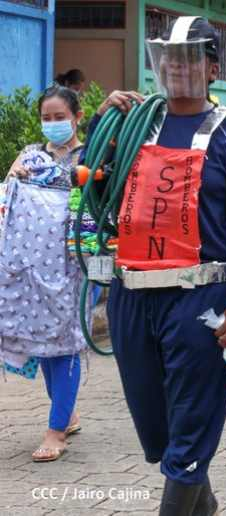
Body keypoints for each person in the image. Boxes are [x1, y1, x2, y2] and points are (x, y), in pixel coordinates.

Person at [90, 16, 226, 514]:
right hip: (132, 295)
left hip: (200, 299)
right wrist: (103, 131)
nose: (177, 66)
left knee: (189, 436)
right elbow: (99, 198)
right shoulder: (133, 125)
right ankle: (203, 504)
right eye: (169, 56)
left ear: (213, 68)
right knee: (160, 434)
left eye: (190, 57)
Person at [2, 85, 86, 462]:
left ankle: (56, 431)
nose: (52, 124)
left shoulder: (90, 156)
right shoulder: (30, 156)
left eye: (59, 117)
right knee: (46, 340)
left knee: (65, 338)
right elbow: (8, 196)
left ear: (77, 117)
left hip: (73, 262)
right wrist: (16, 174)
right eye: (46, 118)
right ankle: (64, 412)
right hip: (33, 267)